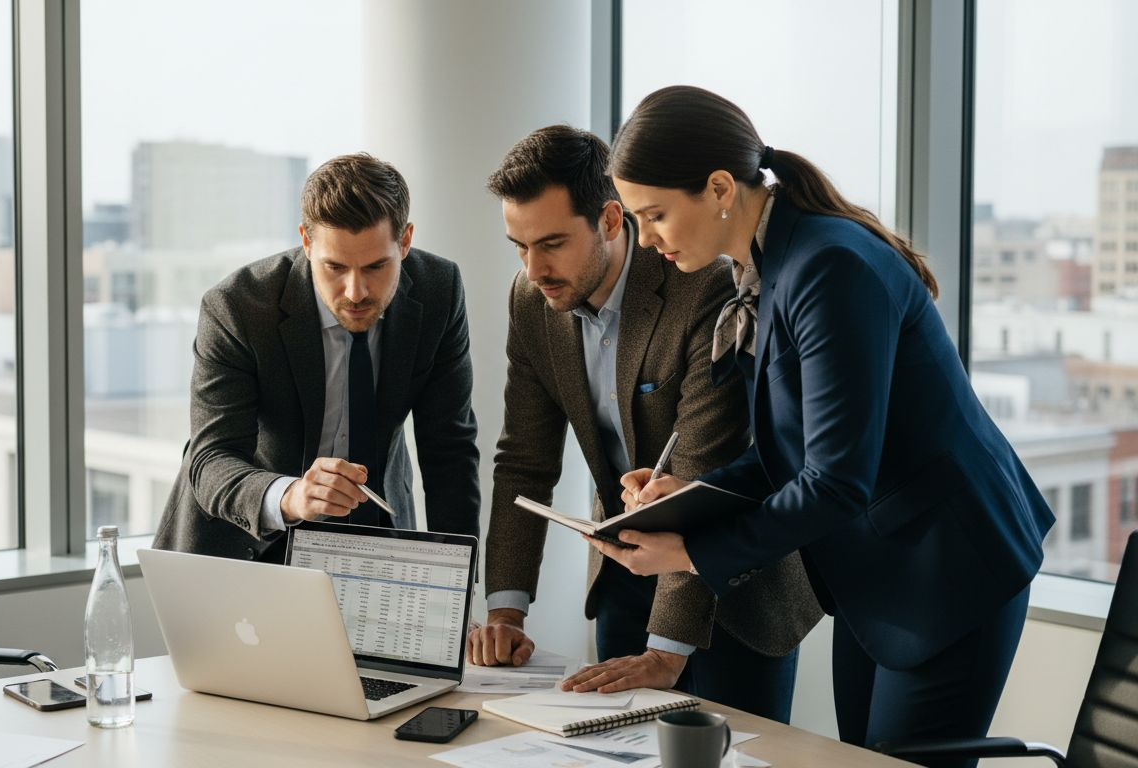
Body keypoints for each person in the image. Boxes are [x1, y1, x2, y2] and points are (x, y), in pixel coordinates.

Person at [577, 86, 1054, 764]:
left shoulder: (826, 267)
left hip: (949, 568)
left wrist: (689, 555)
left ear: (718, 187)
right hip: (878, 569)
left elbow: (834, 482)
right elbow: (787, 454)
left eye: (655, 215)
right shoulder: (771, 266)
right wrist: (682, 503)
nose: (646, 239)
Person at [468, 125, 820, 722]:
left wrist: (665, 650)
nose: (534, 268)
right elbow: (523, 457)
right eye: (519, 247)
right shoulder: (532, 300)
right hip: (625, 576)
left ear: (610, 219)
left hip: (726, 586)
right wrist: (505, 611)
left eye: (551, 244)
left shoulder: (702, 285)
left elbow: (701, 471)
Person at [154, 153, 481, 562]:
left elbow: (449, 450)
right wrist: (292, 495)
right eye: (335, 267)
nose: (356, 291)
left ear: (406, 240)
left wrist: (457, 584)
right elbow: (211, 459)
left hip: (377, 542)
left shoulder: (439, 290)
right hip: (245, 542)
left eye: (377, 266)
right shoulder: (238, 307)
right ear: (307, 242)